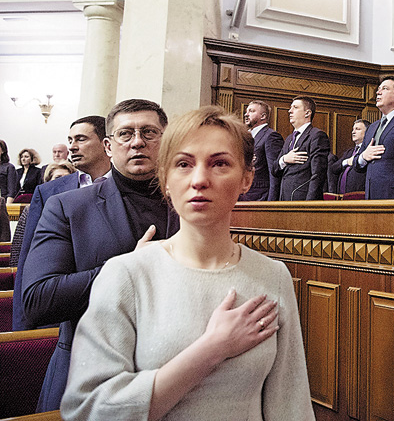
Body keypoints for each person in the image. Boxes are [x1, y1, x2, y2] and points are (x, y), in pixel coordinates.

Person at [61, 106, 315, 421]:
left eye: (220, 163)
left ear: (247, 178)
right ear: (166, 179)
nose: (199, 180)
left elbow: (290, 405)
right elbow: (88, 408)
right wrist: (212, 349)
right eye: (183, 164)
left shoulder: (272, 275)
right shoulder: (126, 274)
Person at [21, 99, 180, 412]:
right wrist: (128, 268)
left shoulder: (191, 203)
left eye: (149, 132)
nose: (137, 141)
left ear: (167, 140)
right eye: (125, 134)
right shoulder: (68, 207)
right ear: (109, 146)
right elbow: (37, 300)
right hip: (88, 380)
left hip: (175, 379)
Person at [12, 115, 113, 331]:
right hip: (58, 310)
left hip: (110, 309)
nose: (72, 147)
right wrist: (22, 325)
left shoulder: (127, 186)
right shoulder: (49, 191)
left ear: (106, 143)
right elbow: (28, 259)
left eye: (81, 139)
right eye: (70, 141)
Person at [355, 76, 394, 199]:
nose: (378, 92)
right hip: (371, 196)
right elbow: (357, 165)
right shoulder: (372, 127)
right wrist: (363, 157)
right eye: (378, 89)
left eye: (384, 88)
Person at [274, 96, 329, 200]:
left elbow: (318, 175)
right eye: (290, 108)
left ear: (307, 113)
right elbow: (275, 169)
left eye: (295, 107)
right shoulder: (290, 138)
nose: (290, 111)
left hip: (302, 200)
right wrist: (284, 159)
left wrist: (308, 206)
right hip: (284, 200)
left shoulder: (317, 136)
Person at [241, 100, 284, 201]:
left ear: (263, 116)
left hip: (260, 197)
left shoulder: (271, 136)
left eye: (251, 111)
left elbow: (274, 172)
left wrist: (271, 202)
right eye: (247, 111)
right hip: (242, 195)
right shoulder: (244, 136)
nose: (246, 114)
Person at [328, 119, 370, 195]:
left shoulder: (368, 151)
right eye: (353, 129)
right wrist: (347, 162)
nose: (353, 132)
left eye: (358, 129)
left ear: (367, 132)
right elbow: (334, 168)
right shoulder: (349, 152)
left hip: (359, 196)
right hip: (342, 196)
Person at [0, 139, 16, 206]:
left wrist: (7, 206)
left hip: (2, 203)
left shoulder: (9, 167)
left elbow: (11, 191)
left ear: (3, 151)